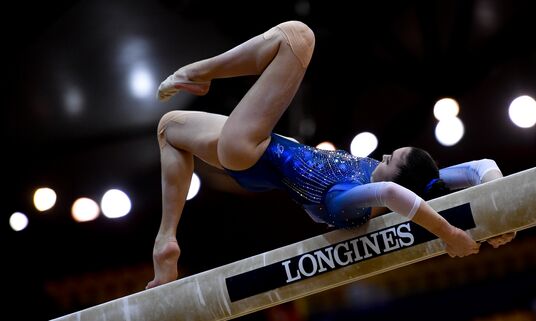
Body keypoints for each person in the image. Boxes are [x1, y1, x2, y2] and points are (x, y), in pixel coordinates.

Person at [146, 20, 514, 290]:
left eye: (390, 160)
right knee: (170, 128)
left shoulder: (349, 203)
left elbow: (391, 195)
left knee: (298, 36)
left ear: (397, 179)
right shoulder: (386, 180)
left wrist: (449, 233)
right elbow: (480, 168)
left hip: (252, 149)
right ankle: (166, 242)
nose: (382, 155)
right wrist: (501, 215)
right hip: (257, 151)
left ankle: (197, 72)